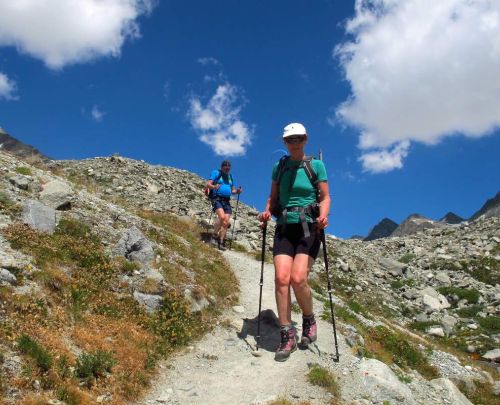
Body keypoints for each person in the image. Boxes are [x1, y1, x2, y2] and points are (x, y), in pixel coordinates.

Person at [259, 123, 331, 362]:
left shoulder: (315, 165)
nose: (295, 143)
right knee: (281, 278)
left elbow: (325, 196)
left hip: (308, 226)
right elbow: (272, 197)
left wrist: (323, 215)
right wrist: (267, 212)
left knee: (298, 279)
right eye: (290, 140)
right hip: (284, 226)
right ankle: (286, 332)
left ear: (306, 139)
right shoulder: (279, 167)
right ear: (284, 142)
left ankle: (309, 318)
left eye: (298, 138)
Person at [206, 160, 242, 251]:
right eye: (225, 168)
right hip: (217, 198)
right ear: (222, 167)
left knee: (226, 222)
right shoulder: (216, 172)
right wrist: (214, 187)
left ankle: (221, 242)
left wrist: (237, 191)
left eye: (228, 168)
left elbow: (232, 190)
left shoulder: (230, 177)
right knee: (221, 218)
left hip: (226, 201)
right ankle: (214, 236)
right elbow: (208, 184)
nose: (227, 170)